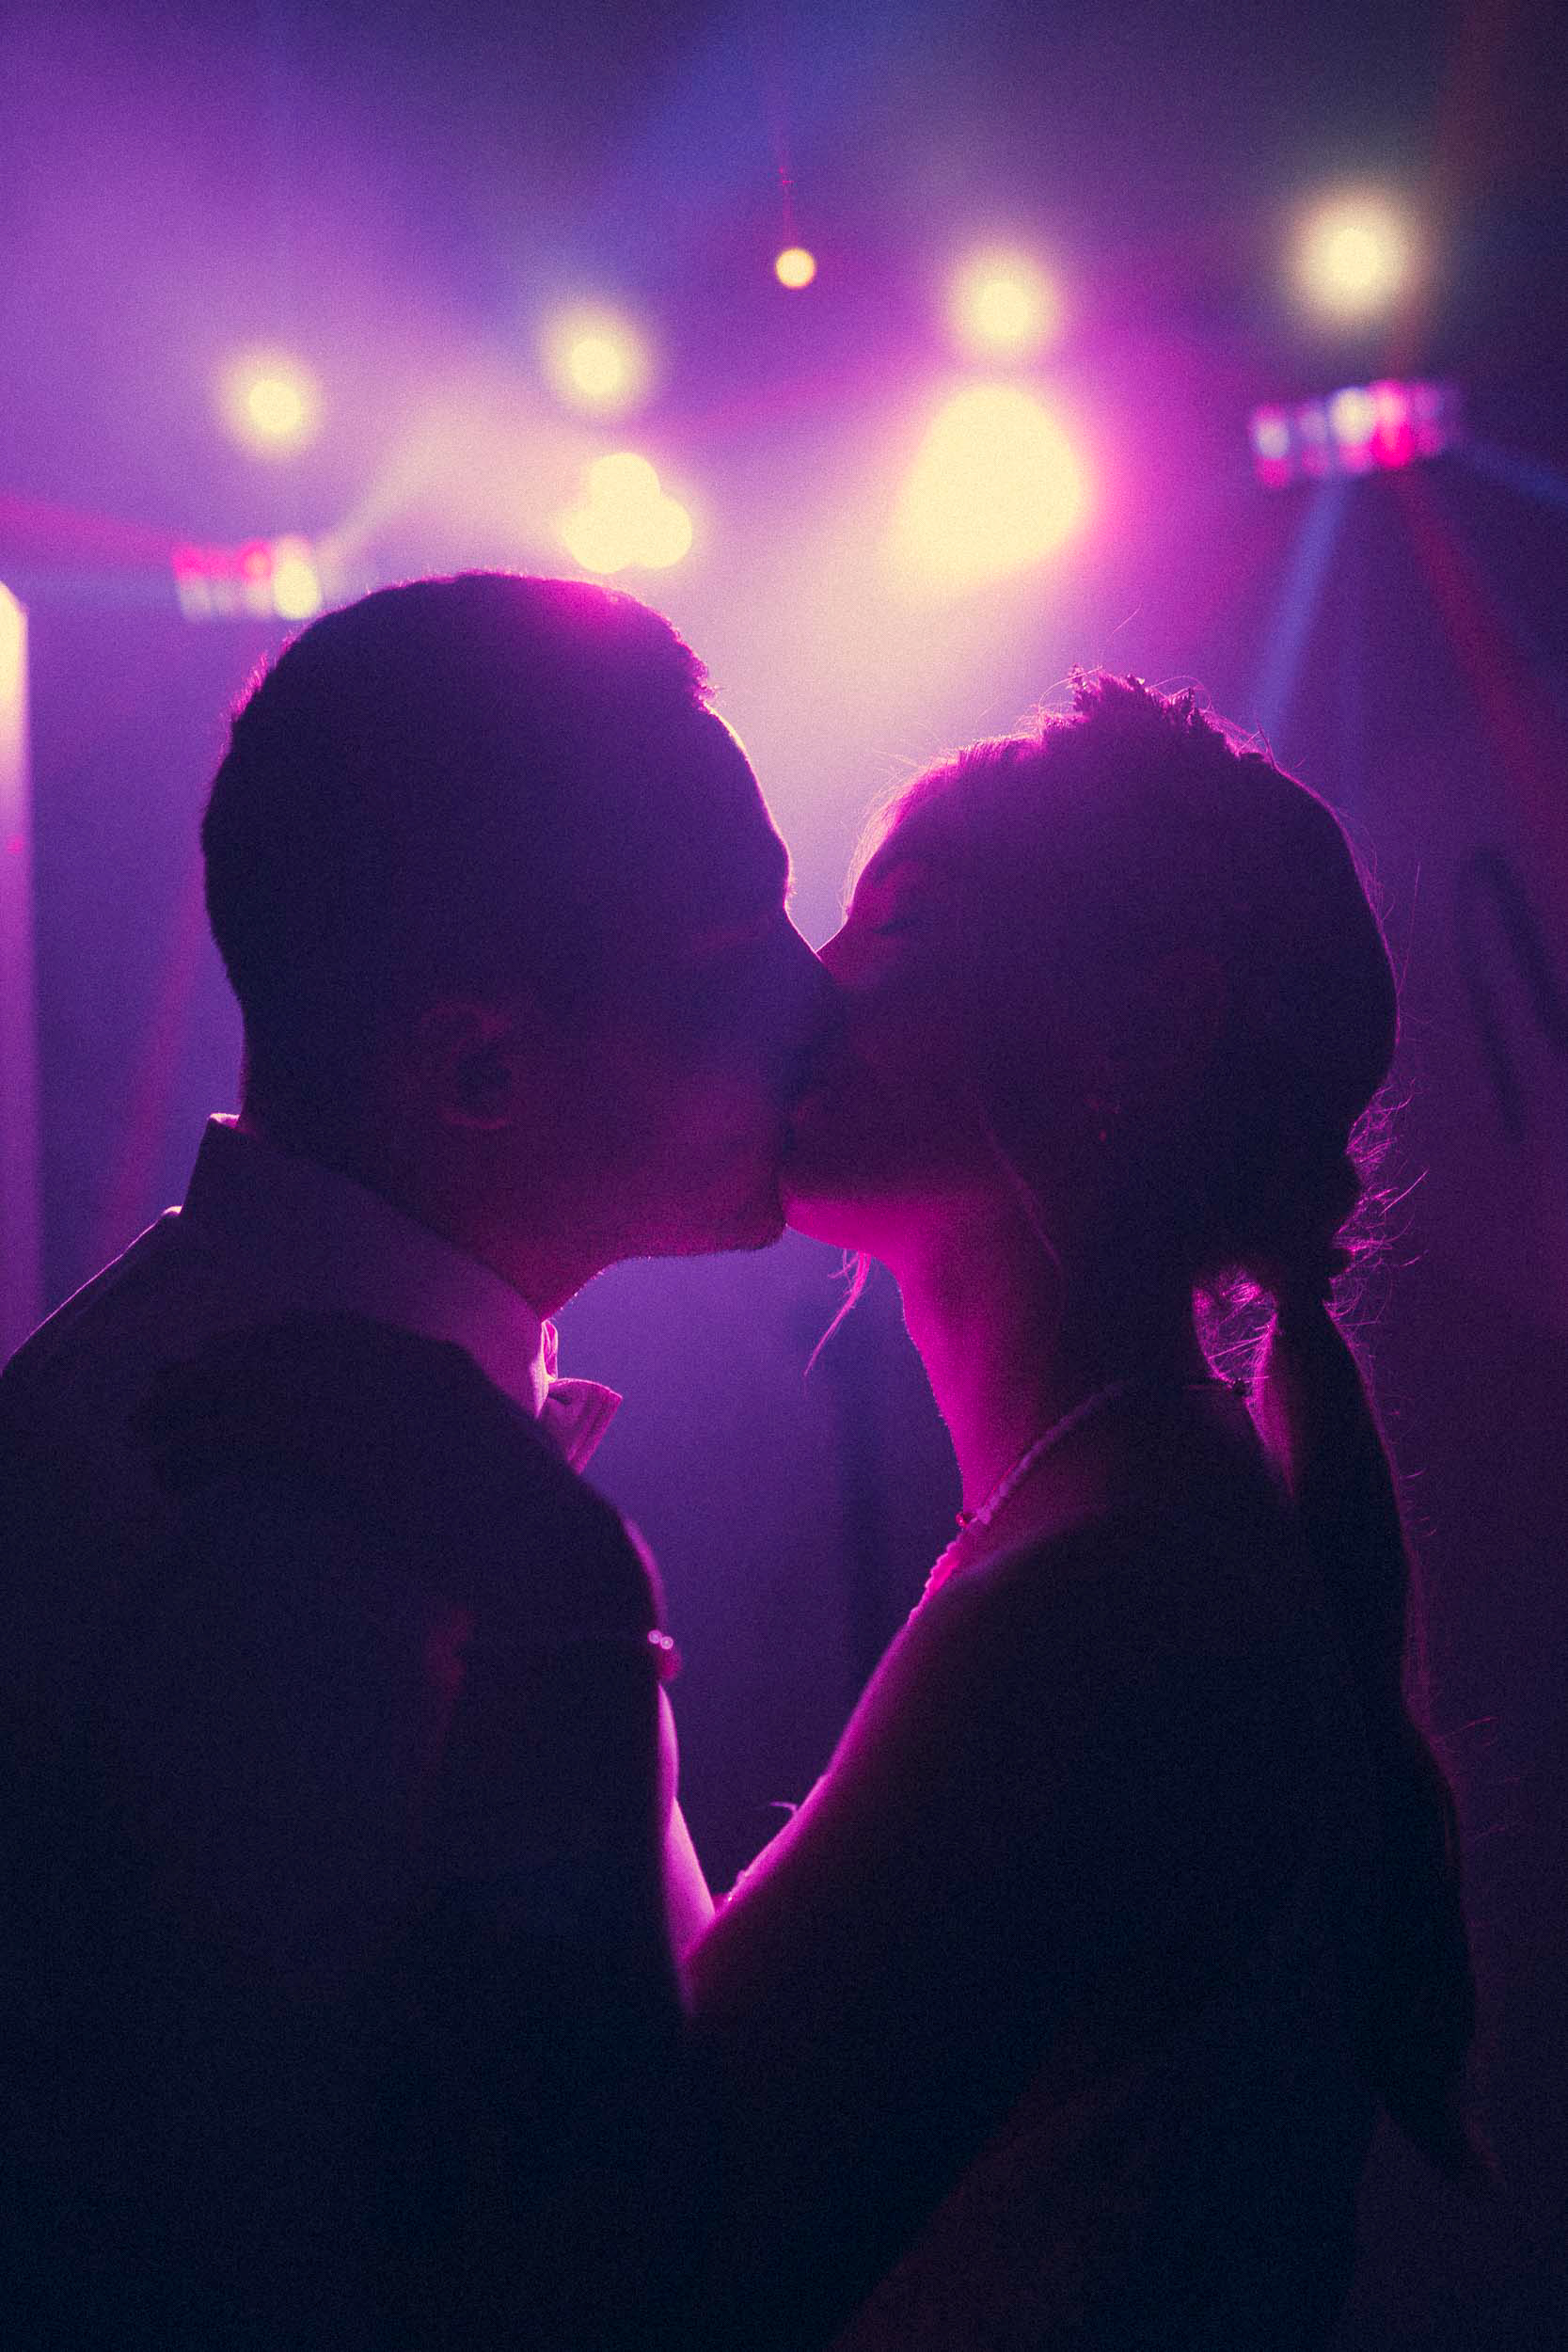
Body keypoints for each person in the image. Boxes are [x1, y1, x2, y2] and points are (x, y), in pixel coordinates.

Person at [0, 573, 832, 2350]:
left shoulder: (293, 1419)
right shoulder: (262, 1539)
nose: (816, 1000)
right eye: (739, 941)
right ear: (478, 1070)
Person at [681, 674, 1492, 2350]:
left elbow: (655, 2223)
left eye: (896, 926)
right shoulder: (1127, 1525)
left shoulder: (1108, 1591)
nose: (807, 984)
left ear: (1135, 1033)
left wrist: (521, 1572)